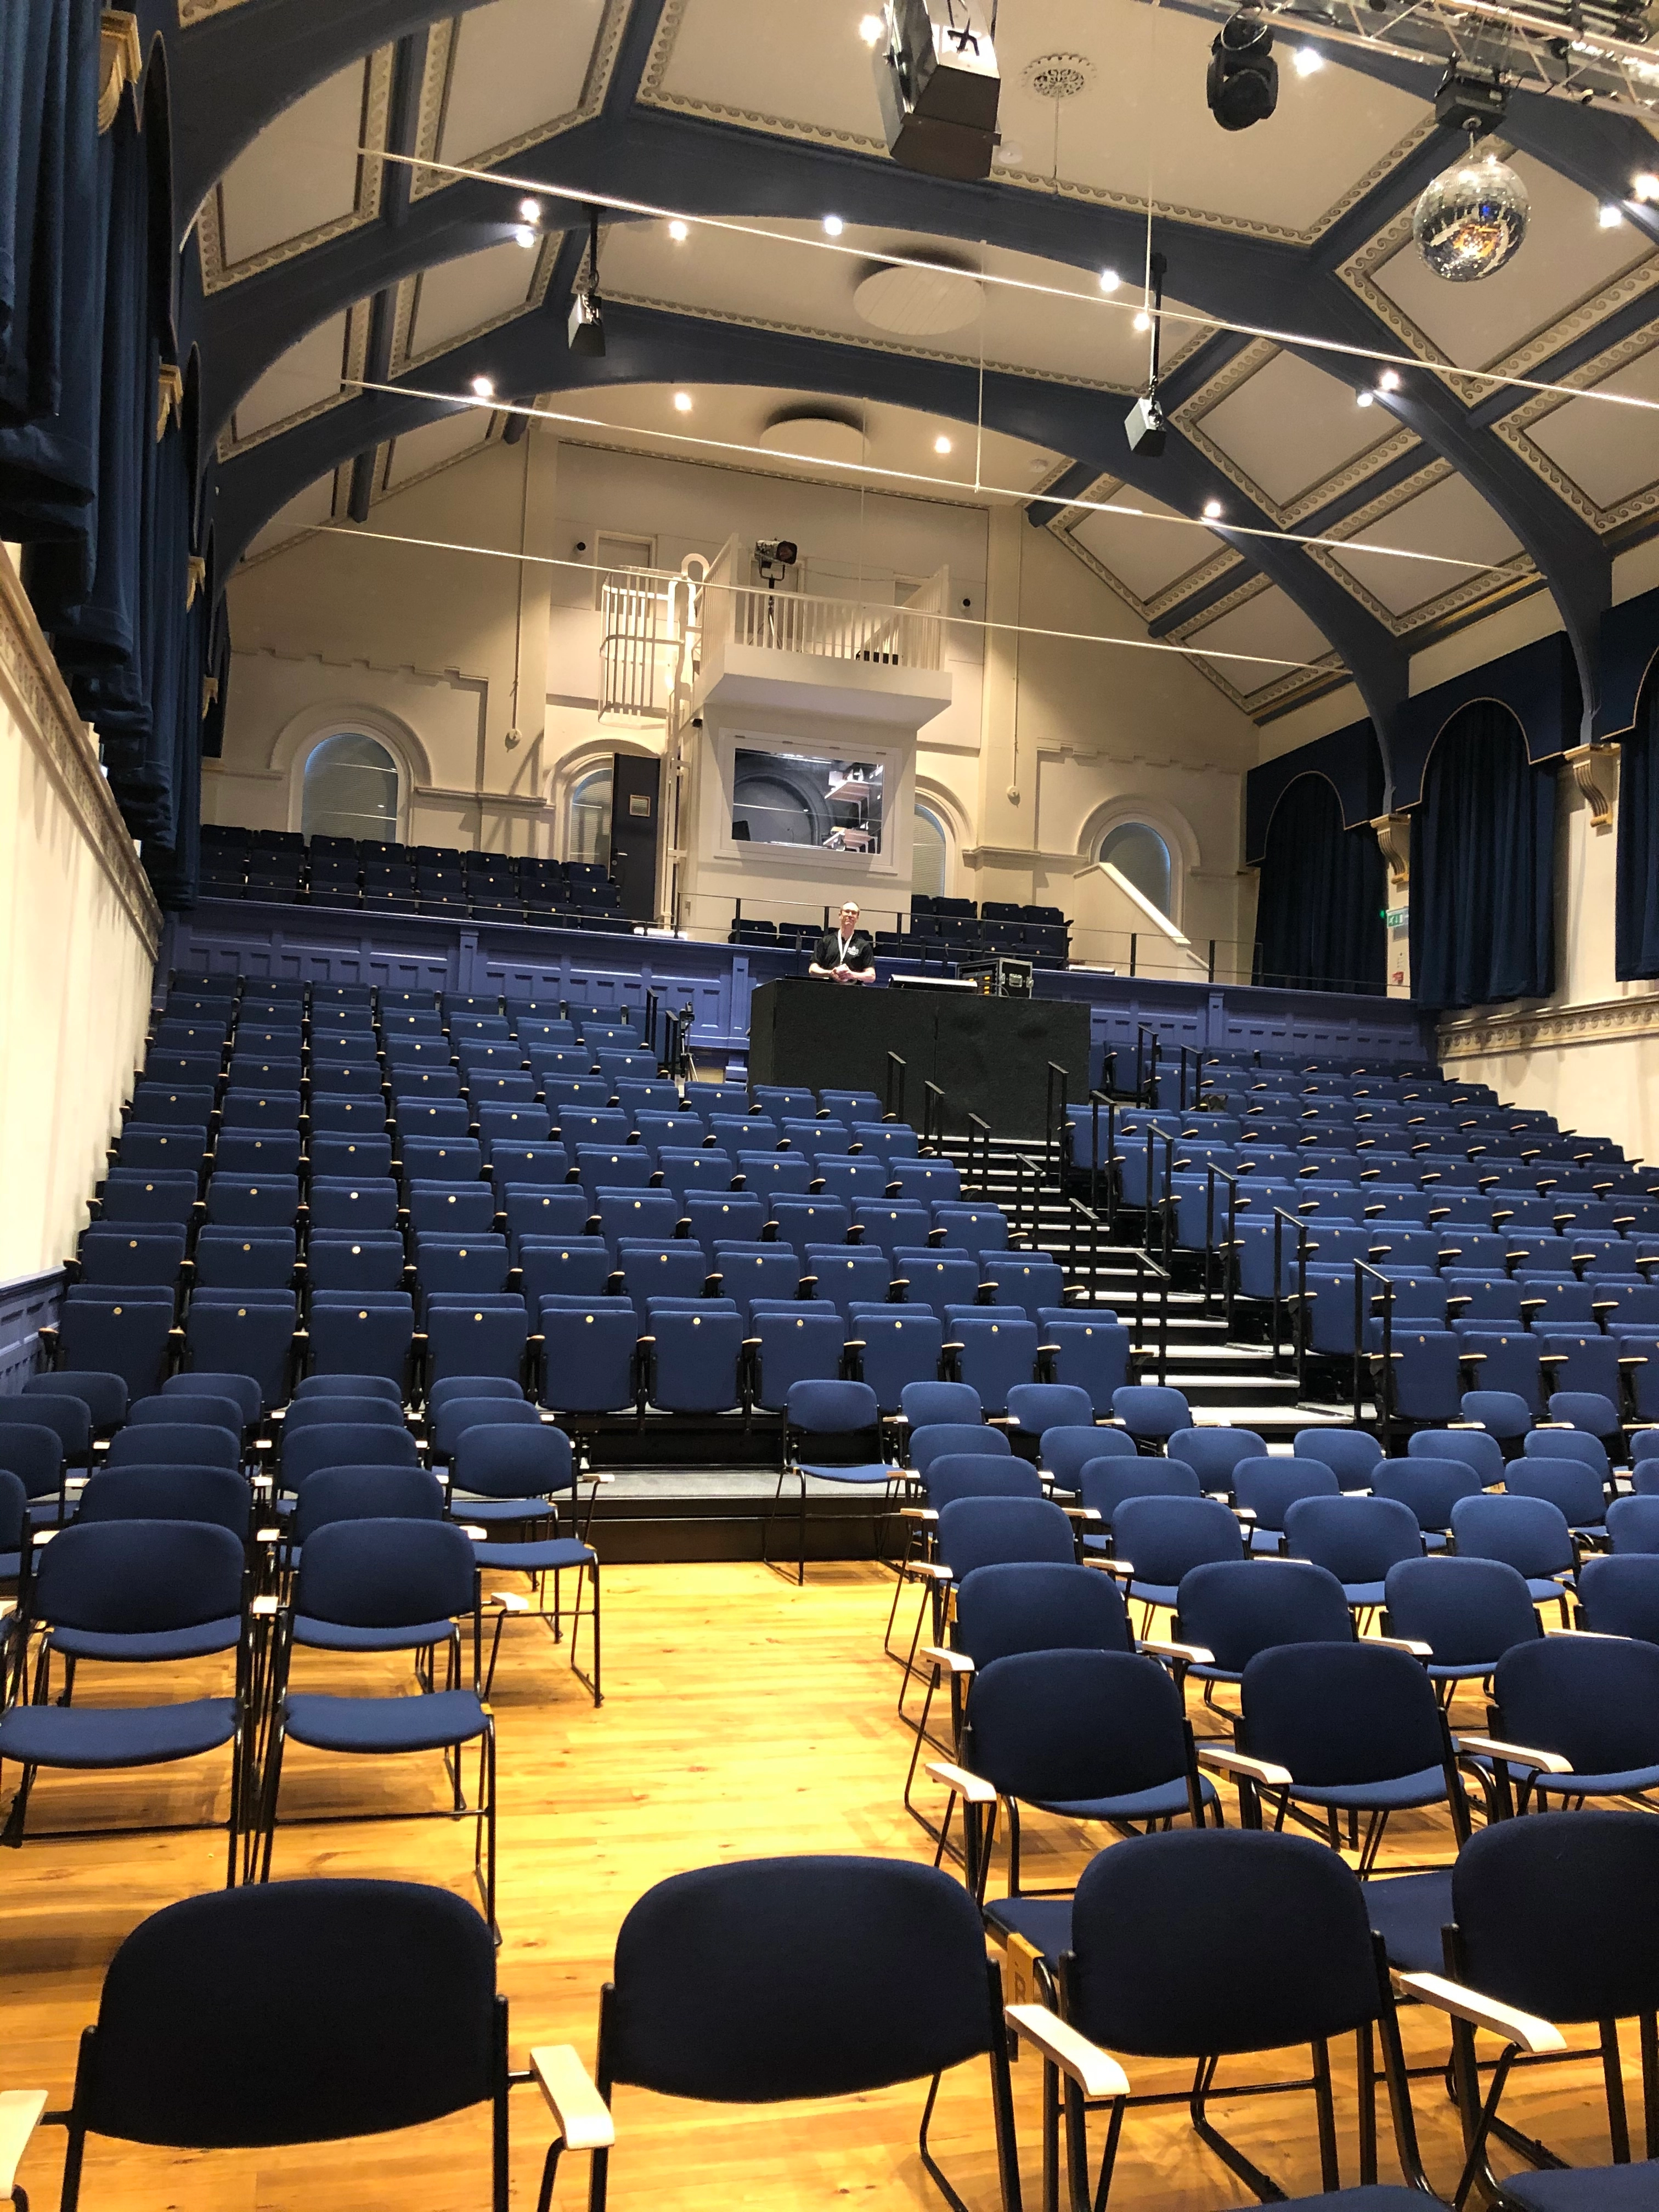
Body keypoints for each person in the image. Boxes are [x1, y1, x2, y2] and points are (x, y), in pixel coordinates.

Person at [809, 901, 877, 984]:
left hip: (853, 992)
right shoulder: (826, 941)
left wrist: (851, 975)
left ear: (857, 918)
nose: (850, 915)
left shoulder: (864, 945)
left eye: (854, 913)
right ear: (840, 915)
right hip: (828, 989)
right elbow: (812, 969)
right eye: (847, 911)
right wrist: (831, 973)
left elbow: (872, 976)